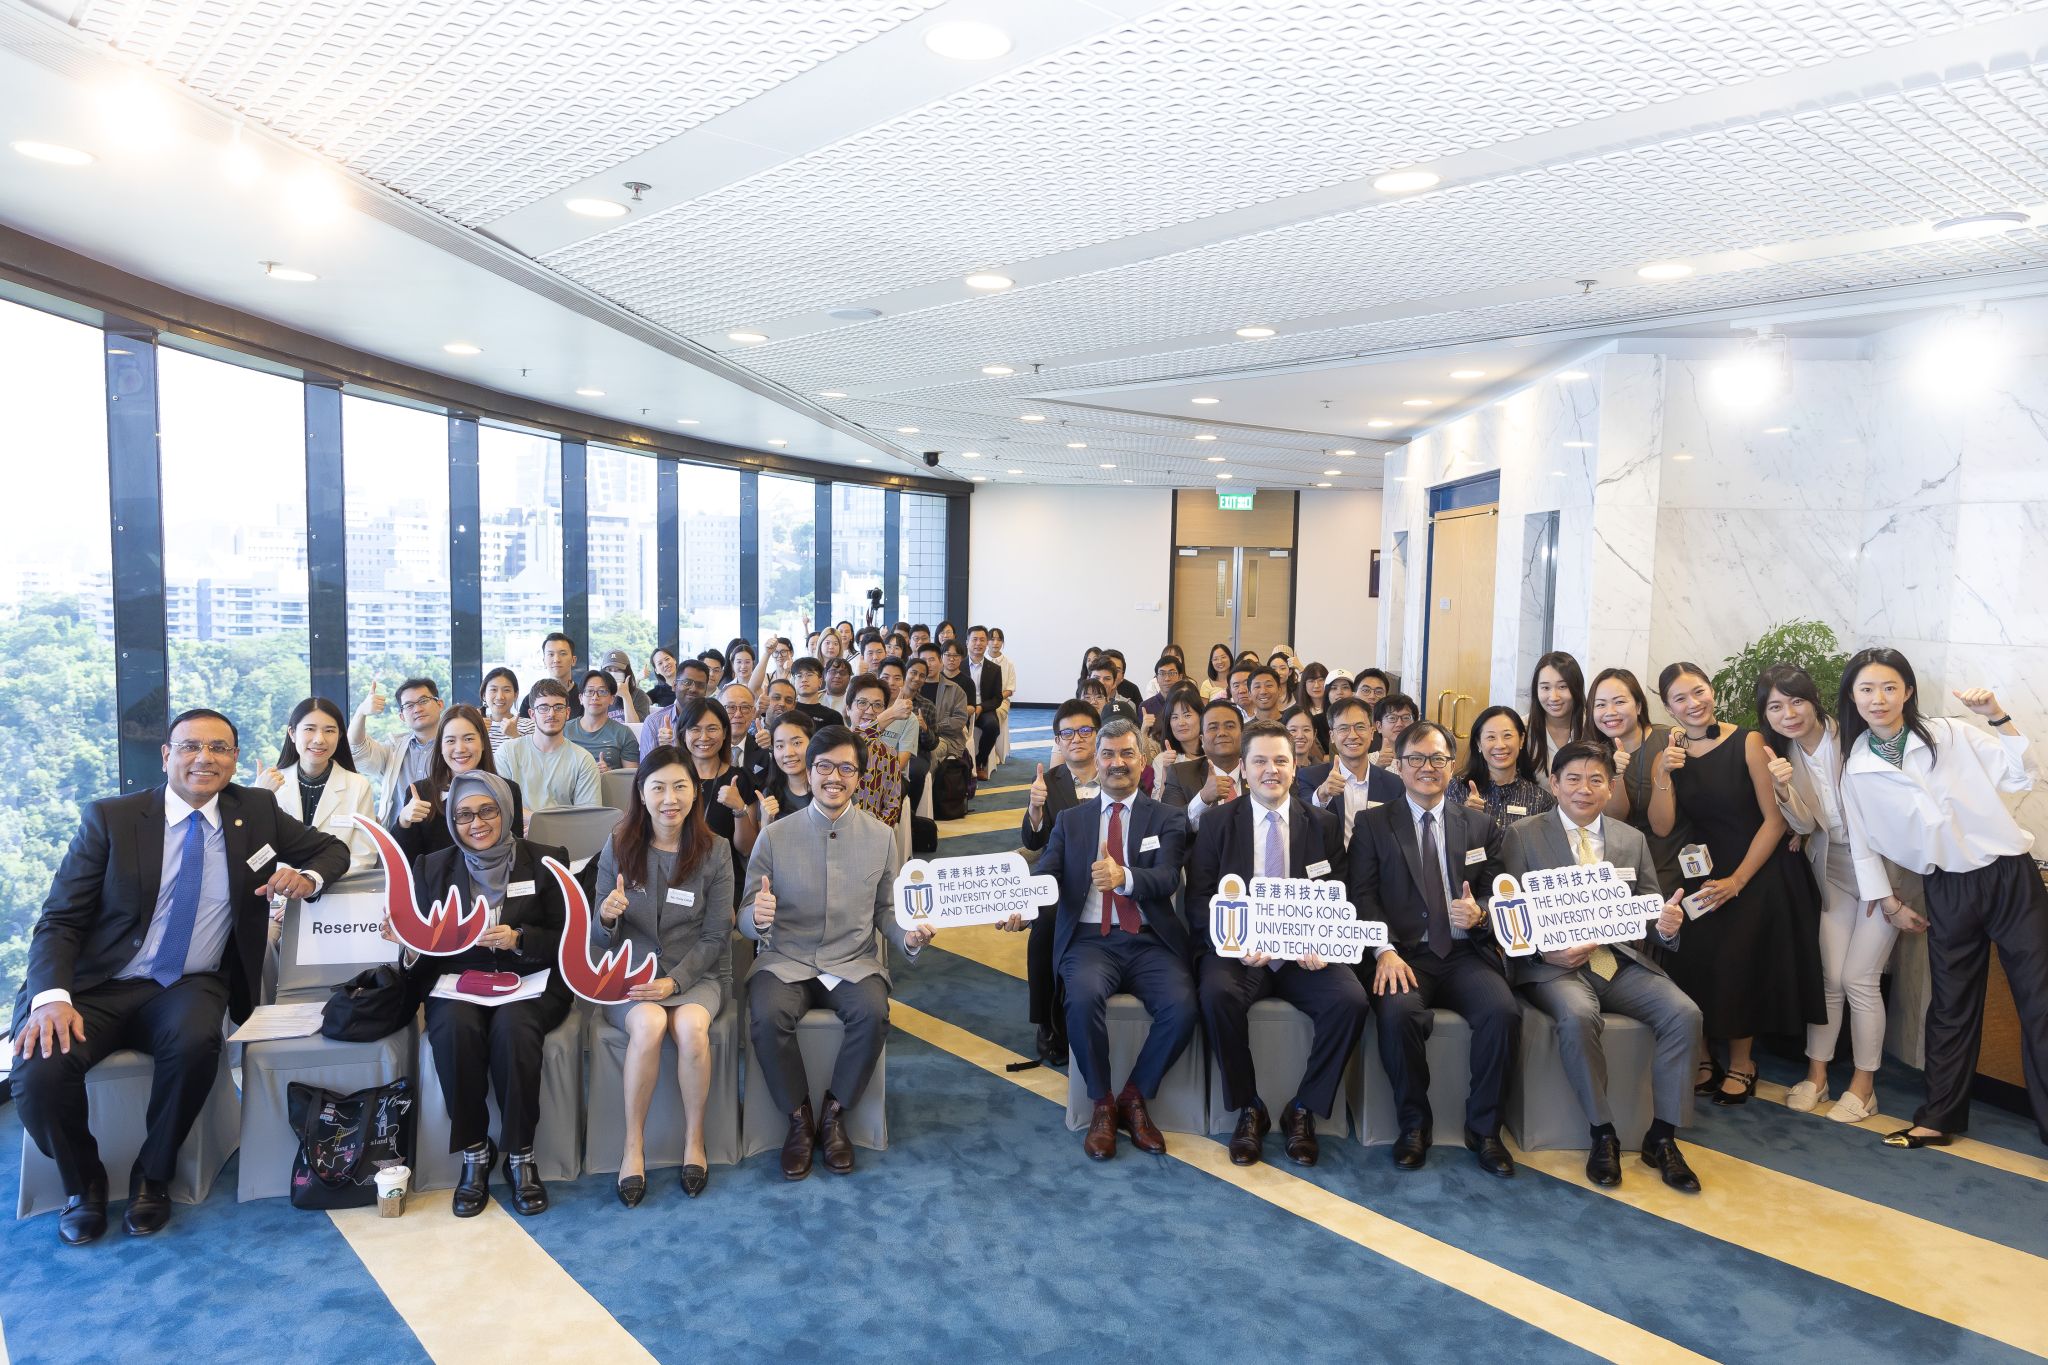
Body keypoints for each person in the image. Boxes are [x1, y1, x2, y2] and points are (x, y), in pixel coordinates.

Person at [12, 709, 350, 1244]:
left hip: (190, 982)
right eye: (191, 747)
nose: (205, 758)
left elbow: (333, 850)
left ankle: (154, 1175)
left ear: (235, 759)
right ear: (167, 755)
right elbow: (60, 919)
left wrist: (306, 876)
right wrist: (51, 997)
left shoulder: (255, 810)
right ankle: (85, 1183)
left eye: (219, 748)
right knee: (39, 1070)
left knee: (196, 1044)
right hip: (98, 985)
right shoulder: (113, 819)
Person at [1835, 650, 2048, 1150]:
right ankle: (1938, 1117)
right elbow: (1862, 844)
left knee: (2040, 1002)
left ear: (1908, 691)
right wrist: (1886, 901)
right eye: (1866, 689)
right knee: (1950, 1006)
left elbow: (2022, 776)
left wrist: (1997, 716)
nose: (1878, 699)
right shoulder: (1856, 767)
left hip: (2008, 876)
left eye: (1890, 687)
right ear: (1852, 697)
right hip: (1947, 887)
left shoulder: (1951, 733)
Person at [1504, 742, 1702, 1192]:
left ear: (1611, 787)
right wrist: (1542, 952)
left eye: (1597, 780)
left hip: (1616, 960)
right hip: (1555, 967)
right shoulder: (1523, 836)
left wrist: (1666, 925)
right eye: (1572, 778)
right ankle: (1603, 1132)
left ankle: (1663, 1137)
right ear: (1553, 784)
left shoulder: (1631, 839)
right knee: (1577, 1016)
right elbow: (1511, 912)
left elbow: (1649, 912)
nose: (1584, 789)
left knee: (1684, 1013)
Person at [740, 726, 933, 1178]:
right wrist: (758, 916)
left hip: (853, 959)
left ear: (859, 778)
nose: (835, 777)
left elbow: (887, 909)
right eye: (824, 766)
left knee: (873, 1012)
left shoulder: (880, 837)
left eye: (847, 768)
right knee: (767, 1015)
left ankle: (834, 1114)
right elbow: (745, 913)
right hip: (786, 957)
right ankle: (798, 1119)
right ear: (808, 774)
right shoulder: (775, 836)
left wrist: (906, 937)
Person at [1186, 722, 1368, 1167]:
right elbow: (1198, 902)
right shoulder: (1215, 824)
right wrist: (1239, 939)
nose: (1272, 770)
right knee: (1216, 994)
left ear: (1295, 767)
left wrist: (1319, 939)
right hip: (1241, 955)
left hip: (1302, 955)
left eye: (1281, 761)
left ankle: (1304, 1108)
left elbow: (1337, 894)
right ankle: (1249, 1108)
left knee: (1351, 1000)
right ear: (1245, 771)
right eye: (1261, 761)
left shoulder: (1321, 824)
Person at [1344, 720, 1517, 1177]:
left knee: (1503, 1013)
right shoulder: (1373, 823)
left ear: (1452, 765)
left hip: (1463, 955)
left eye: (1437, 758)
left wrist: (1478, 912)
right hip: (1402, 954)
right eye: (1416, 759)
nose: (1427, 767)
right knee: (1398, 1014)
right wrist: (1382, 949)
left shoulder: (1479, 825)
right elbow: (1362, 895)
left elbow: (1498, 891)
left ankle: (1485, 1130)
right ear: (1398, 766)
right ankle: (1414, 1124)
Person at [1647, 662, 1823, 1107]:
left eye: (1699, 691)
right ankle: (1704, 1057)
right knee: (1689, 951)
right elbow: (1663, 827)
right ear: (1667, 707)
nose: (1693, 704)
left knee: (1737, 955)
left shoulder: (1748, 741)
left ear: (1712, 693)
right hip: (1702, 868)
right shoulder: (1668, 752)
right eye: (1680, 698)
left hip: (1756, 865)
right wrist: (1661, 776)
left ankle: (1743, 1062)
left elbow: (1775, 820)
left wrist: (1739, 880)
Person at [404, 771, 572, 1217]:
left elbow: (568, 936)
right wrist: (405, 940)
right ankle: (475, 1151)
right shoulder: (433, 867)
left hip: (530, 978)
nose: (475, 823)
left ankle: (521, 1154)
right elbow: (424, 945)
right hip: (459, 979)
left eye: (486, 810)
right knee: (454, 1029)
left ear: (506, 810)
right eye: (462, 815)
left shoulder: (547, 860)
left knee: (515, 1031)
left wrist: (520, 938)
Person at [1029, 720, 1194, 1160]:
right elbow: (1047, 871)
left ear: (1143, 762)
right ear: (1094, 761)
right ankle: (1102, 1102)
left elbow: (1164, 878)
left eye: (1126, 754)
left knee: (1183, 1006)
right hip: (1088, 941)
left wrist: (1124, 878)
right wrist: (1021, 902)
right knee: (1080, 1000)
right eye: (1108, 755)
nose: (1117, 763)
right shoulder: (1071, 819)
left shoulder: (1168, 817)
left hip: (1148, 939)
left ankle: (1134, 1098)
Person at [1760, 663, 1902, 1124]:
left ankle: (1864, 1085)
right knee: (1830, 978)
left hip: (1883, 871)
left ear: (1814, 698)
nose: (1789, 713)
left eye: (1796, 700)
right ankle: (1817, 1076)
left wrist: (1899, 892)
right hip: (1833, 871)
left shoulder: (1857, 733)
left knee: (1860, 978)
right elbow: (1803, 826)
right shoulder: (1783, 754)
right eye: (1776, 707)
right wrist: (1783, 786)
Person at [592, 750, 733, 1204]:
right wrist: (608, 917)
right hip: (630, 973)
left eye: (679, 786)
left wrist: (675, 982)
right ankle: (633, 1145)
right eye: (658, 787)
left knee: (692, 1028)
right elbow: (597, 934)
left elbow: (715, 935)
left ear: (695, 791)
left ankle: (695, 1140)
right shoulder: (618, 843)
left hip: (695, 972)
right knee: (649, 1024)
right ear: (642, 793)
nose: (669, 799)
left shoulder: (716, 852)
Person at [1018, 701, 1104, 1067]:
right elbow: (1035, 845)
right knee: (1045, 925)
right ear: (1058, 740)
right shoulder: (1048, 783)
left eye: (1085, 730)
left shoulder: (1116, 772)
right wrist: (1035, 811)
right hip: (1063, 883)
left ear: (1097, 734)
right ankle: (1046, 1023)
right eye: (1067, 733)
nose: (1077, 739)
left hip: (1108, 880)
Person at [1589, 667, 1691, 896]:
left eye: (1619, 702)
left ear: (1638, 705)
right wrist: (1615, 774)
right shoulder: (1594, 754)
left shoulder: (1669, 740)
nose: (1610, 712)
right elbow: (1615, 817)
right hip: (1620, 867)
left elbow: (1662, 828)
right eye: (1600, 704)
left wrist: (1662, 770)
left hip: (1668, 862)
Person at [255, 697, 379, 878]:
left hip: (337, 892)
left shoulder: (358, 785)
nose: (319, 739)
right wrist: (260, 796)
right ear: (292, 733)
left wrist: (314, 880)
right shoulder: (268, 784)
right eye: (309, 729)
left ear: (340, 736)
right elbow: (255, 849)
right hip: (277, 892)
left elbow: (364, 855)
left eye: (329, 731)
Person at [393, 706, 529, 860]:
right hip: (439, 882)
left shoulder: (508, 790)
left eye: (469, 739)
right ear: (441, 747)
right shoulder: (420, 793)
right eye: (450, 740)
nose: (460, 748)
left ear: (483, 742)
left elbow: (515, 853)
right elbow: (406, 861)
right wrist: (404, 821)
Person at [675, 697, 757, 900]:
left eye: (712, 728)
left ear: (725, 733)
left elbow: (747, 849)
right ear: (683, 733)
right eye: (695, 729)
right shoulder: (670, 777)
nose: (704, 737)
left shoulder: (740, 779)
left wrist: (739, 809)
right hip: (674, 874)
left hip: (722, 879)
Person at [1302, 694, 1406, 848]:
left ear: (1371, 733)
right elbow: (1300, 820)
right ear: (1332, 736)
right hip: (1331, 869)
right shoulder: (1311, 777)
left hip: (1375, 870)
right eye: (1343, 728)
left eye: (1360, 727)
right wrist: (1322, 795)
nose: (1352, 735)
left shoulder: (1395, 784)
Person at [496, 679, 603, 812]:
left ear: (567, 713)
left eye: (558, 707)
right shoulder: (507, 753)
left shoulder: (583, 759)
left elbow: (588, 816)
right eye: (543, 708)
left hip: (564, 832)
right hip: (516, 831)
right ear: (532, 714)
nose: (551, 714)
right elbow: (501, 807)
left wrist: (538, 823)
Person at [351, 676, 445, 827]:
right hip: (399, 838)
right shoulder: (393, 749)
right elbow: (357, 750)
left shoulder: (455, 747)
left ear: (440, 704)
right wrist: (361, 713)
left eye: (423, 701)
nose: (417, 709)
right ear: (401, 716)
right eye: (408, 705)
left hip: (445, 838)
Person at [1448, 706, 1555, 838]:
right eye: (1491, 737)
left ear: (1521, 739)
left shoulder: (1541, 799)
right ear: (1478, 743)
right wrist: (1465, 816)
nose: (1500, 745)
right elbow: (1442, 843)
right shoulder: (1456, 789)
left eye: (1507, 736)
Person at [845, 673, 919, 829]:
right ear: (848, 709)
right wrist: (891, 714)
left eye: (878, 705)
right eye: (862, 703)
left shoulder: (889, 754)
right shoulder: (836, 745)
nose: (870, 711)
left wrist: (876, 832)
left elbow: (892, 805)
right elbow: (855, 742)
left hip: (873, 832)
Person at [1162, 698, 1244, 823]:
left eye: (1230, 726)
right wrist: (1202, 799)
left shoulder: (1259, 772)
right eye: (1213, 728)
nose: (1222, 733)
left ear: (1243, 736)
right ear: (1202, 740)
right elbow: (1169, 826)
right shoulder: (1180, 775)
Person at [636, 658, 713, 763]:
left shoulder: (713, 721)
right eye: (687, 682)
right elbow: (645, 774)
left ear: (705, 691)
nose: (693, 689)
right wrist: (664, 751)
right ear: (674, 686)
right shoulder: (654, 722)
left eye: (700, 685)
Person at [1526, 651, 1588, 776]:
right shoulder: (1522, 728)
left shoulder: (1592, 726)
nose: (1553, 697)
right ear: (1536, 690)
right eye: (1545, 688)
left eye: (1562, 687)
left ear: (1576, 687)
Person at [567, 671, 638, 772]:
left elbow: (632, 778)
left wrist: (609, 773)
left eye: (602, 692)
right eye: (589, 691)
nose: (595, 697)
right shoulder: (565, 730)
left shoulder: (624, 733)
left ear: (612, 699)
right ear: (581, 698)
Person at [756, 710, 817, 824]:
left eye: (797, 743)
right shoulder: (769, 794)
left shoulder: (830, 787)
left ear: (812, 743)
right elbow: (763, 842)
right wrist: (766, 820)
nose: (788, 753)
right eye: (779, 746)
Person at [914, 641, 971, 764]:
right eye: (923, 660)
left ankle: (931, 783)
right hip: (913, 736)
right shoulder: (912, 688)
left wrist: (932, 728)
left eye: (932, 659)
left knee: (930, 752)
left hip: (944, 738)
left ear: (941, 662)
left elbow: (959, 720)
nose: (928, 664)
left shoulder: (955, 689)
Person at [1146, 683, 1206, 796]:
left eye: (1187, 715)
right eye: (1174, 717)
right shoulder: (1162, 761)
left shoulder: (1215, 754)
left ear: (1201, 716)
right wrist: (1166, 771)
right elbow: (1162, 808)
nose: (1181, 723)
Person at [962, 626, 1006, 780]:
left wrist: (981, 707)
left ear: (987, 643)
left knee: (993, 726)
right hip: (962, 709)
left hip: (984, 709)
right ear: (967, 642)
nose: (978, 643)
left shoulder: (994, 669)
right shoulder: (959, 666)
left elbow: (997, 698)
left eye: (982, 639)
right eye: (974, 639)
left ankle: (980, 762)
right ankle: (961, 765)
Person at [519, 632, 584, 721]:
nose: (556, 660)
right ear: (544, 661)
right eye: (551, 654)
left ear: (573, 660)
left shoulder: (584, 698)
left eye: (563, 653)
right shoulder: (531, 700)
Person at [480, 667, 530, 753]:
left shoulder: (529, 726)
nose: (500, 697)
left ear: (515, 695)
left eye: (506, 690)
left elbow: (534, 762)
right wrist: (479, 734)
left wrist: (515, 735)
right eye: (493, 690)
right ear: (484, 694)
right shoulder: (475, 725)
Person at [789, 657, 842, 731]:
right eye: (799, 676)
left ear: (820, 682)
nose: (804, 679)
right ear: (794, 682)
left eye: (809, 675)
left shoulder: (833, 716)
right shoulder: (787, 710)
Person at [599, 649, 650, 724]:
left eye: (618, 670)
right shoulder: (597, 695)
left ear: (627, 672)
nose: (613, 673)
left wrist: (626, 696)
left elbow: (637, 730)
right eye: (609, 669)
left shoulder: (639, 696)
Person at [1141, 654, 1185, 736]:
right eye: (1162, 673)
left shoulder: (1188, 703)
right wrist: (1144, 729)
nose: (1167, 678)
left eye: (1172, 673)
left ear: (1180, 677)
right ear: (1156, 678)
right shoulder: (1145, 707)